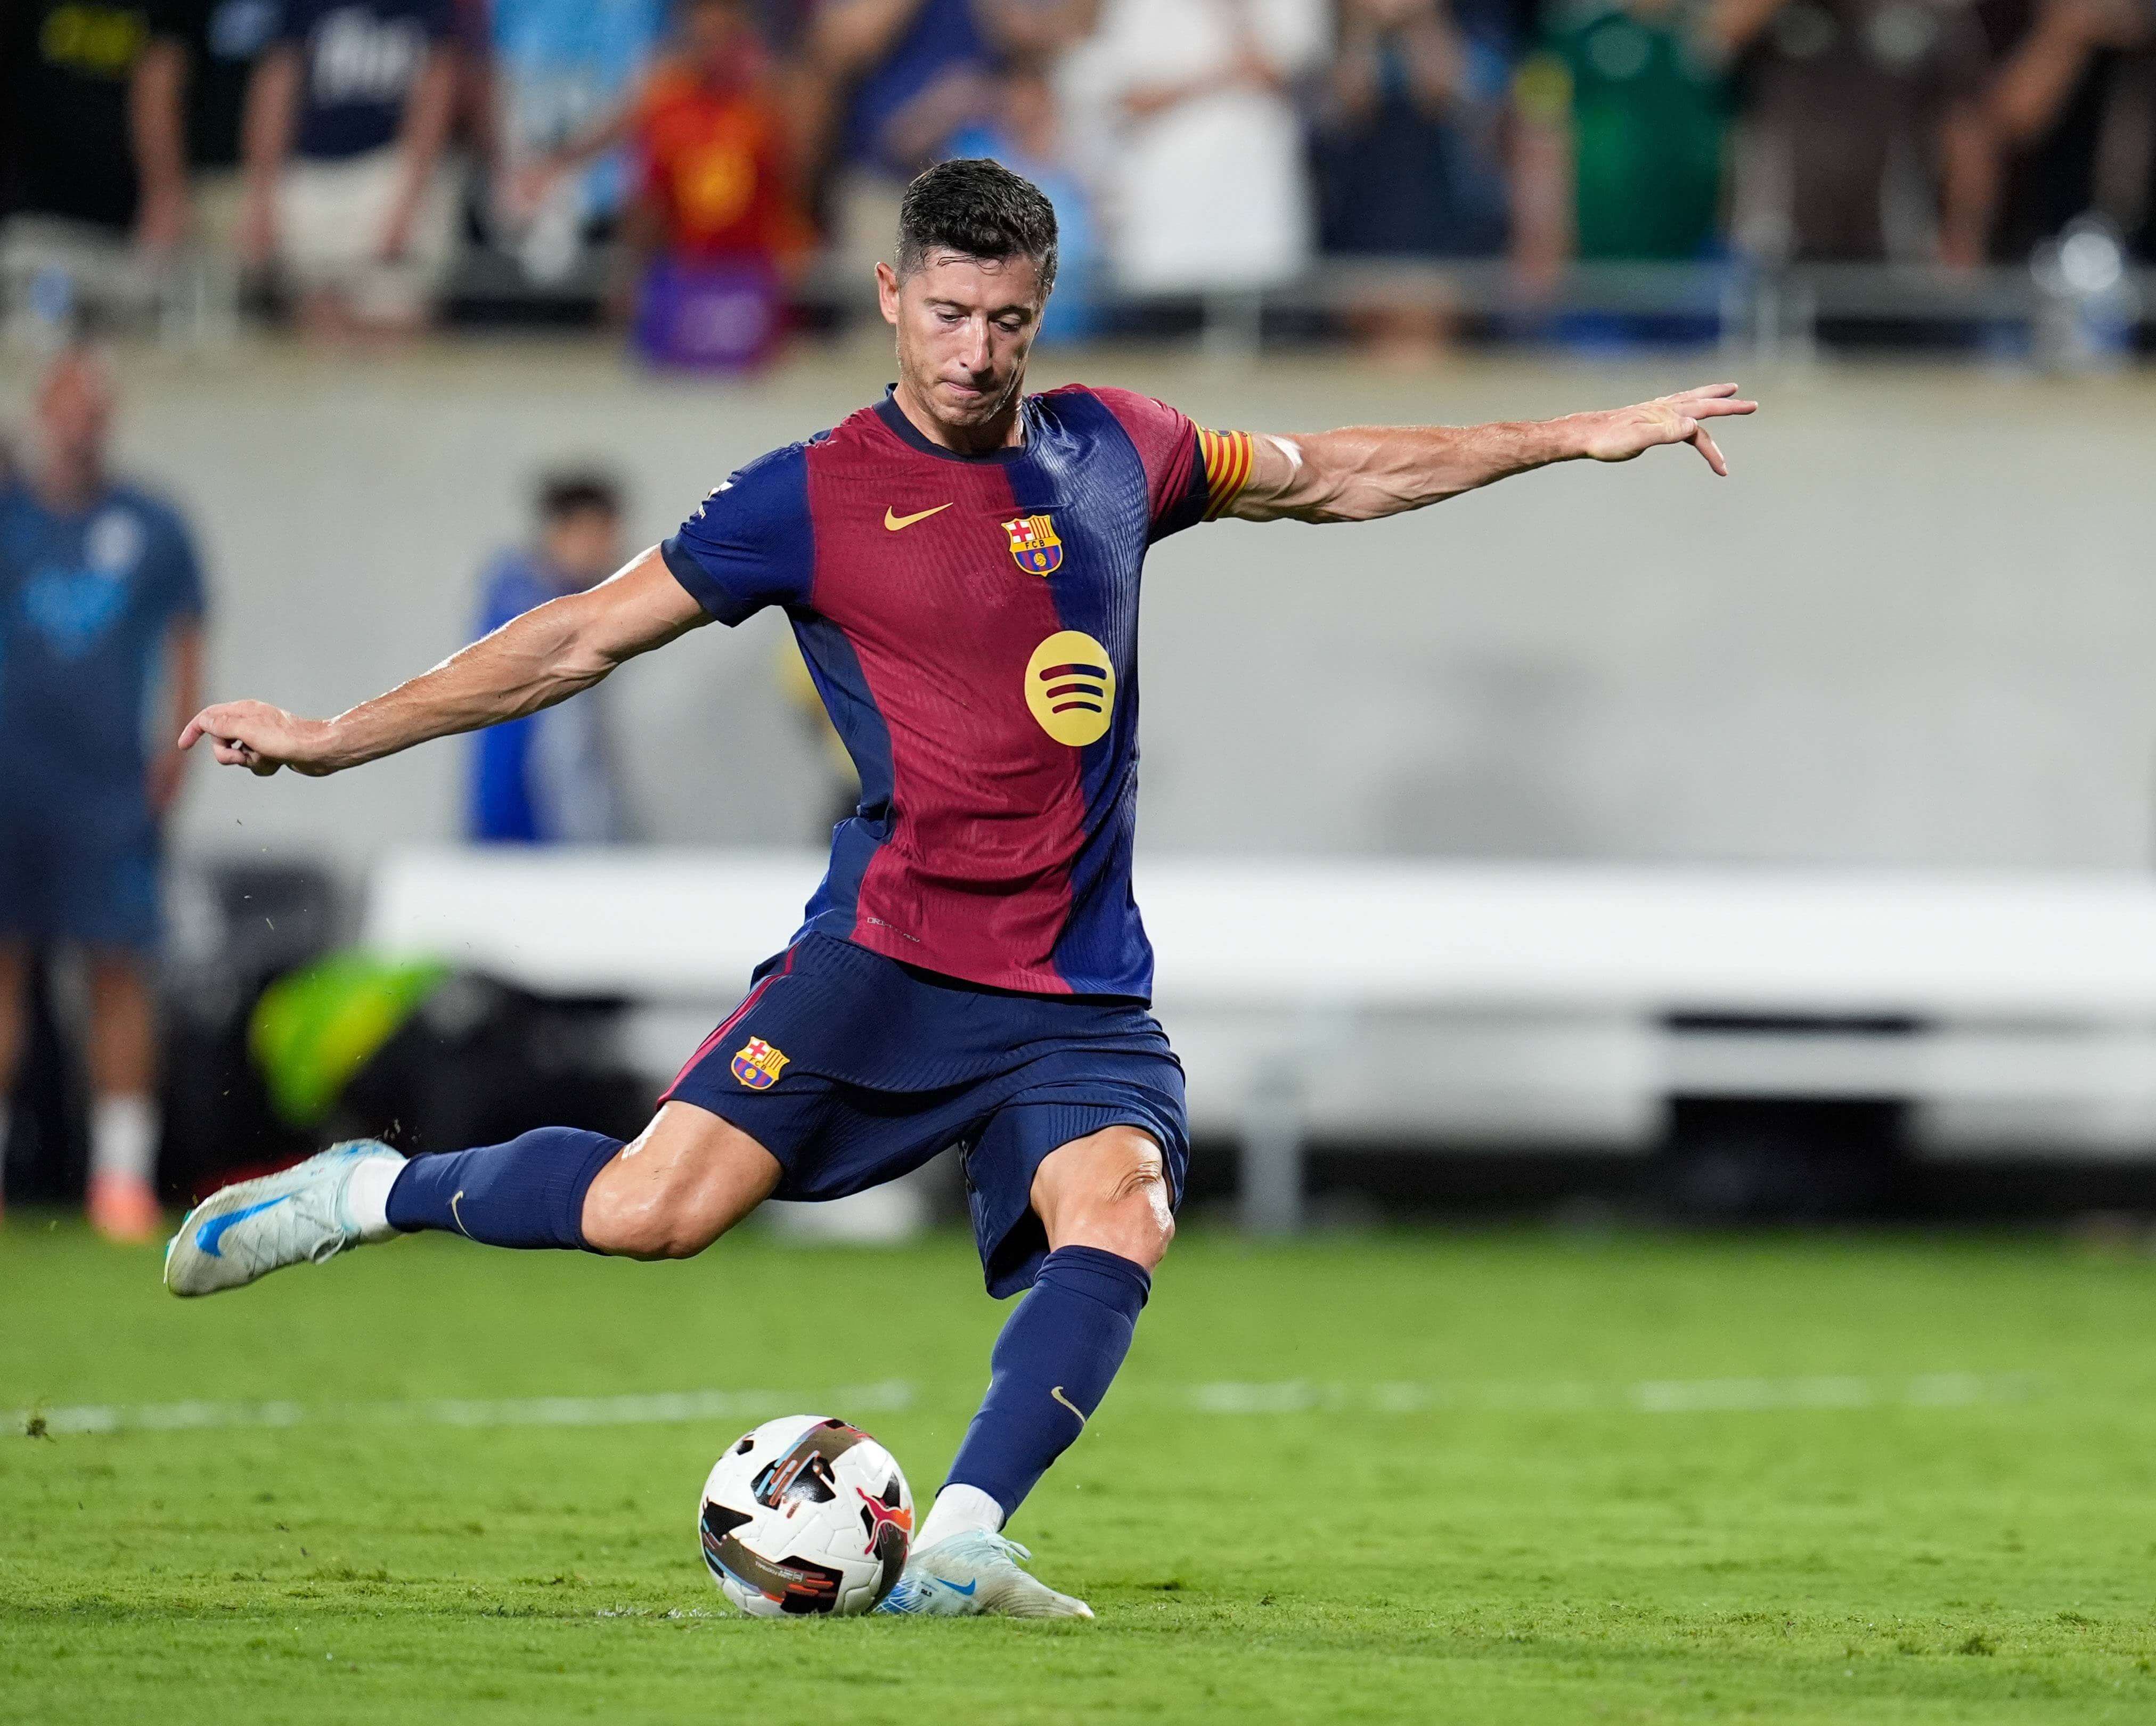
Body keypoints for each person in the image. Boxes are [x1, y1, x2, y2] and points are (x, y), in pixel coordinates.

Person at [163, 159, 1755, 1616]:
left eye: (1004, 320)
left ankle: (964, 1537)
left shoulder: (1119, 449)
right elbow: (574, 635)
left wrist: (1572, 435)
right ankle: (363, 1191)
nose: (975, 350)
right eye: (945, 313)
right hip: (884, 957)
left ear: (1037, 314)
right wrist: (335, 737)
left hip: (1070, 982)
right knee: (652, 1214)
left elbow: (1335, 469)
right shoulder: (806, 495)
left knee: (1119, 1217)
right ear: (888, 299)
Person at [0, 348, 208, 1240]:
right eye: (65, 409)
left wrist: (178, 746)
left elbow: (187, 640)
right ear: (42, 417)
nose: (80, 425)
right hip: (13, 782)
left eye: (95, 409)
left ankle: (119, 1176)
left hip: (109, 790)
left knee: (118, 974)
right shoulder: (8, 519)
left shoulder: (154, 526)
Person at [236, 0, 461, 336]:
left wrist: (407, 203)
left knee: (394, 318)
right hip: (309, 173)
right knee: (314, 324)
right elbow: (277, 85)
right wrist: (262, 200)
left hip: (388, 168)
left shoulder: (425, 8)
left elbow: (436, 90)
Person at [467, 470, 634, 845]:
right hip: (527, 827)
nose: (610, 552)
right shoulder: (531, 610)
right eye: (602, 536)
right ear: (566, 531)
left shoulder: (519, 598)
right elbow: (557, 749)